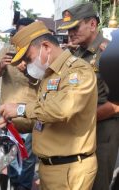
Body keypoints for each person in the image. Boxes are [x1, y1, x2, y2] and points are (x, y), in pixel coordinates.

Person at [0, 21, 98, 190]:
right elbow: (43, 120)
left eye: (28, 59)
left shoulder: (78, 71)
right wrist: (13, 121)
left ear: (46, 47)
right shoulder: (49, 75)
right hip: (49, 167)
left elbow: (61, 110)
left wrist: (20, 108)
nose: (27, 65)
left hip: (70, 169)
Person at [58, 3, 119, 190]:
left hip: (102, 132)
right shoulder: (75, 54)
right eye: (68, 29)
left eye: (75, 27)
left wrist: (86, 118)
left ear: (92, 24)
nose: (70, 33)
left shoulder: (109, 53)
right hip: (77, 133)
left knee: (98, 184)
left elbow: (117, 105)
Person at [0, 18, 38, 190]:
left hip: (28, 117)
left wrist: (28, 70)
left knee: (26, 159)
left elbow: (44, 82)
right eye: (20, 32)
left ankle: (23, 187)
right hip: (7, 118)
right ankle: (10, 184)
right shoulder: (7, 50)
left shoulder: (37, 54)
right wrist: (2, 65)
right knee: (8, 156)